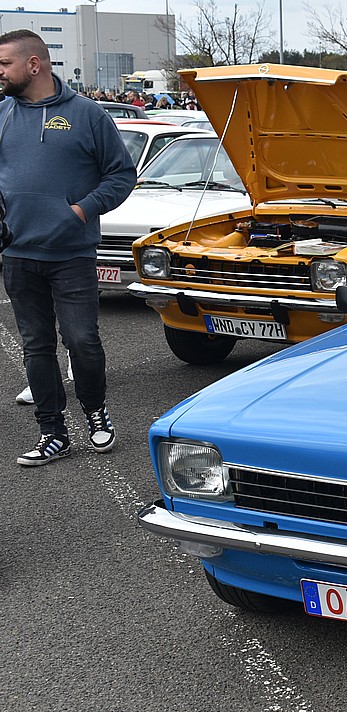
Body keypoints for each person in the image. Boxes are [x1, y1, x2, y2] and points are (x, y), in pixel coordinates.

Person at [0, 29, 136, 466]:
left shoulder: (88, 114)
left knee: (82, 340)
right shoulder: (2, 113)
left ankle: (96, 412)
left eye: (5, 64)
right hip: (18, 255)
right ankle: (52, 432)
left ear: (33, 64)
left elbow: (121, 175)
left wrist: (80, 211)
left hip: (72, 254)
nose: (0, 72)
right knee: (36, 346)